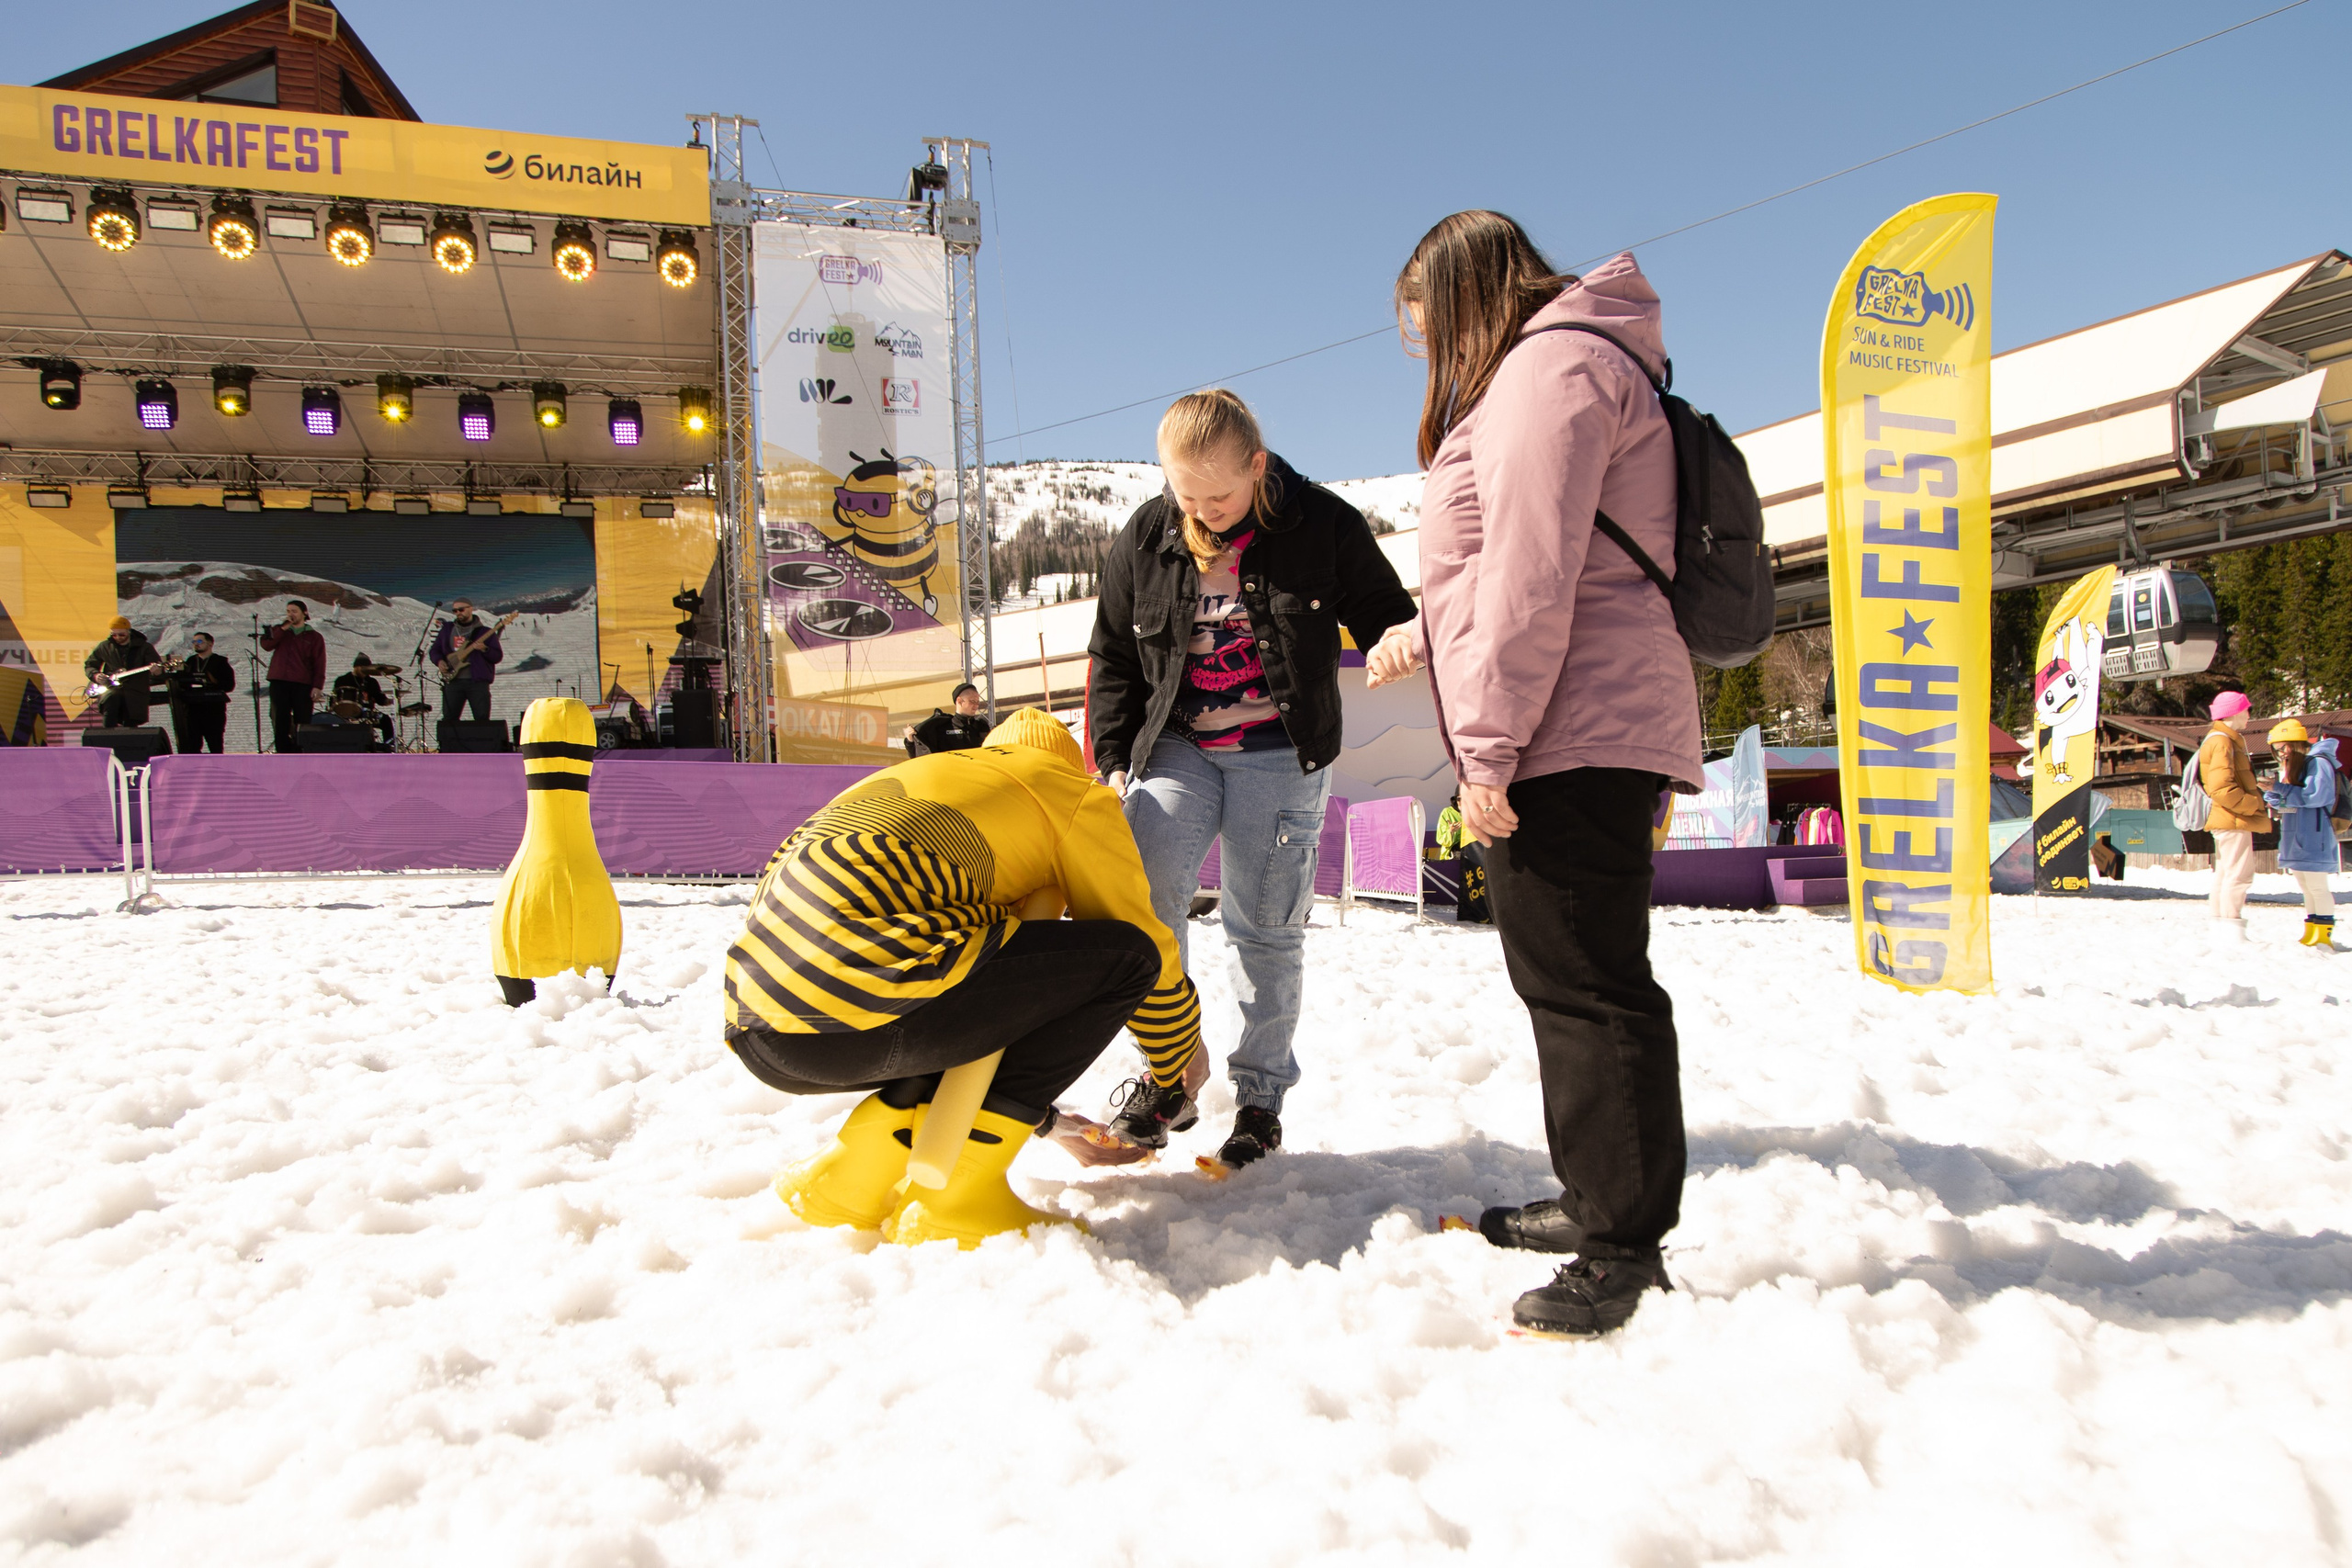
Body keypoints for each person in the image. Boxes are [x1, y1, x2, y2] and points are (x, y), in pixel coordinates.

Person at [1366, 211, 1702, 1336]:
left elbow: (1530, 575)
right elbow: (1515, 563)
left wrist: (1490, 750)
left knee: (1588, 984)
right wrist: (1425, 628)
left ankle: (1622, 1246)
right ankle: (1595, 1199)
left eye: (1426, 326)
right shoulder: (1559, 364)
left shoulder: (1547, 370)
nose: (1426, 349)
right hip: (1572, 715)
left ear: (1466, 295)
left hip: (1569, 726)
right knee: (1564, 974)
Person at [721, 707, 1204, 1246]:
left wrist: (1049, 1123)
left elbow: (980, 1001)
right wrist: (1178, 1056)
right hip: (872, 1006)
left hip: (766, 1031)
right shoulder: (1064, 788)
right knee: (1129, 958)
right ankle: (958, 1195)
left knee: (959, 960)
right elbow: (1139, 937)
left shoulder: (934, 778)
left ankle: (852, 1173)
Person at [1088, 389, 1416, 1169]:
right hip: (1178, 744)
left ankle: (1260, 1102)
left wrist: (1395, 641)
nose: (1202, 512)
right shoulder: (1147, 534)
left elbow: (1386, 610)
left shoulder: (1322, 523)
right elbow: (1114, 655)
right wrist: (1111, 754)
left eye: (1220, 497)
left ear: (1258, 467)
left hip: (1280, 750)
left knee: (1264, 926)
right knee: (1142, 896)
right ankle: (1169, 1074)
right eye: (1186, 495)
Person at [2262, 718, 2343, 950]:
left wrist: (2279, 788)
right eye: (2277, 750)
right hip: (2296, 836)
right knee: (2307, 888)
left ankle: (2324, 935)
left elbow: (2316, 797)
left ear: (2293, 743)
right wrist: (2273, 796)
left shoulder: (2318, 762)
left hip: (2314, 836)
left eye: (2281, 747)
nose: (2281, 754)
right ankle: (2312, 932)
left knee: (2317, 887)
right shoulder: (2297, 765)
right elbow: (2292, 806)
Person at [2198, 691, 2270, 942]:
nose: (2249, 715)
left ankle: (2221, 928)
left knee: (2226, 873)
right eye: (2246, 710)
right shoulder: (2223, 741)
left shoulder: (2219, 739)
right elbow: (2221, 788)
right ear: (2235, 712)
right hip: (2233, 817)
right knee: (2239, 874)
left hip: (2227, 817)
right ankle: (2232, 931)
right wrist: (2253, 804)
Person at [259, 600, 327, 753]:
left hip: (302, 682)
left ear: (304, 613)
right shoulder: (280, 631)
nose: (291, 614)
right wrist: (283, 628)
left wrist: (318, 686)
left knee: (302, 720)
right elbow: (266, 645)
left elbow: (319, 662)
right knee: (280, 718)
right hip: (279, 681)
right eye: (288, 611)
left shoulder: (314, 636)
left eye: (294, 611)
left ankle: (300, 751)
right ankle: (282, 752)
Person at [430, 600, 504, 723]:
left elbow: (497, 657)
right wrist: (439, 661)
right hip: (453, 681)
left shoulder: (485, 632)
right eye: (455, 610)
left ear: (471, 609)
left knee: (482, 720)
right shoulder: (447, 630)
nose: (458, 613)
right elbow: (435, 650)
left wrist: (485, 649)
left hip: (477, 683)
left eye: (461, 609)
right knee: (449, 721)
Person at [83, 616, 161, 728]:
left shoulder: (144, 647)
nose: (118, 638)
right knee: (109, 713)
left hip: (135, 694)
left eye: (121, 635)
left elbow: (158, 670)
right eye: (114, 635)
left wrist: (157, 671)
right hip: (111, 690)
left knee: (130, 728)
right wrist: (95, 675)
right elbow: (90, 664)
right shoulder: (105, 646)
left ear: (129, 632)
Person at [165, 631, 235, 753]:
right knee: (192, 744)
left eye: (199, 641)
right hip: (193, 708)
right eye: (194, 642)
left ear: (210, 644)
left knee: (215, 743)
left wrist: (214, 682)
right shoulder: (191, 661)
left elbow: (230, 685)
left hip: (213, 709)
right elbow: (182, 682)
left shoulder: (220, 662)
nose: (196, 644)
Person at [907, 682, 989, 755]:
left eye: (978, 702)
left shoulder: (981, 727)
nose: (976, 706)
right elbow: (921, 755)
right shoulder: (942, 727)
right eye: (972, 701)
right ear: (959, 701)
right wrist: (910, 741)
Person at [333, 656, 395, 749]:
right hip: (347, 714)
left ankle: (389, 747)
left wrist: (393, 700)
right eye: (363, 668)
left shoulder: (372, 682)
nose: (365, 671)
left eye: (367, 669)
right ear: (356, 667)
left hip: (368, 715)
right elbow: (335, 700)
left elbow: (381, 700)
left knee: (385, 720)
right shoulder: (342, 680)